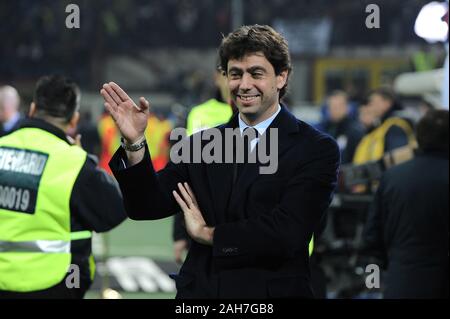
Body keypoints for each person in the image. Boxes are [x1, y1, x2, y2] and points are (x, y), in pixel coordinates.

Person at [102, 25, 340, 298]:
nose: (244, 84)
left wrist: (210, 235)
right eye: (235, 74)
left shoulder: (316, 149)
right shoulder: (199, 144)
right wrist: (135, 143)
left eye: (256, 73)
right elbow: (146, 205)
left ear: (281, 78)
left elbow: (287, 234)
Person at [0, 75, 126, 299]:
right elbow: (114, 211)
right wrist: (80, 158)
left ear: (32, 109)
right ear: (74, 119)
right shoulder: (74, 162)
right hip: (51, 283)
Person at [363, 110, 449, 298]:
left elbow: (371, 239)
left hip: (402, 283)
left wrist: (374, 285)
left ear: (418, 137)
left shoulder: (392, 178)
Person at [173, 65, 234, 264]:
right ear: (218, 77)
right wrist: (179, 232)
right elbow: (184, 172)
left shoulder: (255, 114)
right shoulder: (198, 114)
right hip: (202, 222)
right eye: (230, 74)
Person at [353, 88, 416, 165]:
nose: (370, 106)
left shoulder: (395, 126)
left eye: (373, 102)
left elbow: (396, 160)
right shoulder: (383, 126)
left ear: (386, 104)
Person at [317, 91, 365, 164]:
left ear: (347, 108)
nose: (334, 110)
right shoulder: (322, 129)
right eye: (332, 107)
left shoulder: (355, 131)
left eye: (338, 107)